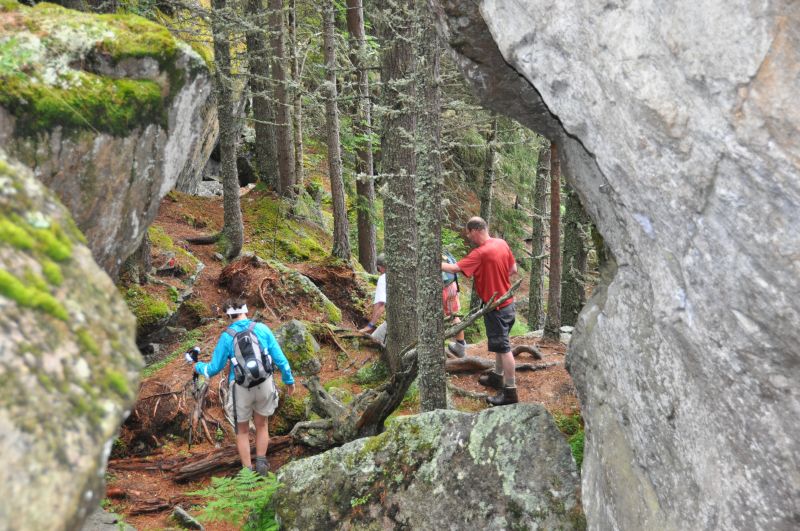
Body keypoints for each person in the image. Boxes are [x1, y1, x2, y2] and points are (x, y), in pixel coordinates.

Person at [187, 299, 295, 475]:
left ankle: (247, 472)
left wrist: (197, 367)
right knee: (262, 424)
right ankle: (261, 465)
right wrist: (289, 381)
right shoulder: (262, 329)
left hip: (241, 388)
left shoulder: (227, 337)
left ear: (228, 315)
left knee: (242, 430)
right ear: (246, 310)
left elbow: (213, 369)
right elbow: (280, 360)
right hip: (265, 384)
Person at [442, 216, 518, 405]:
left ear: (476, 230)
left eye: (469, 233)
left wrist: (430, 261)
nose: (469, 237)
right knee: (501, 345)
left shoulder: (481, 252)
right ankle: (497, 377)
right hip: (508, 302)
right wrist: (496, 278)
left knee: (504, 348)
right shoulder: (501, 243)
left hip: (497, 307)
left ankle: (510, 391)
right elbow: (513, 269)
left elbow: (454, 268)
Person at [442, 252, 468, 357]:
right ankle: (460, 345)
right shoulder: (443, 253)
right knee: (454, 316)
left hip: (442, 288)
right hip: (452, 286)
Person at [358, 254, 387, 345]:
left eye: (378, 269)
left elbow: (380, 305)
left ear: (381, 267)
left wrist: (370, 326)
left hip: (396, 321)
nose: (379, 272)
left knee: (371, 343)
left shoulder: (383, 279)